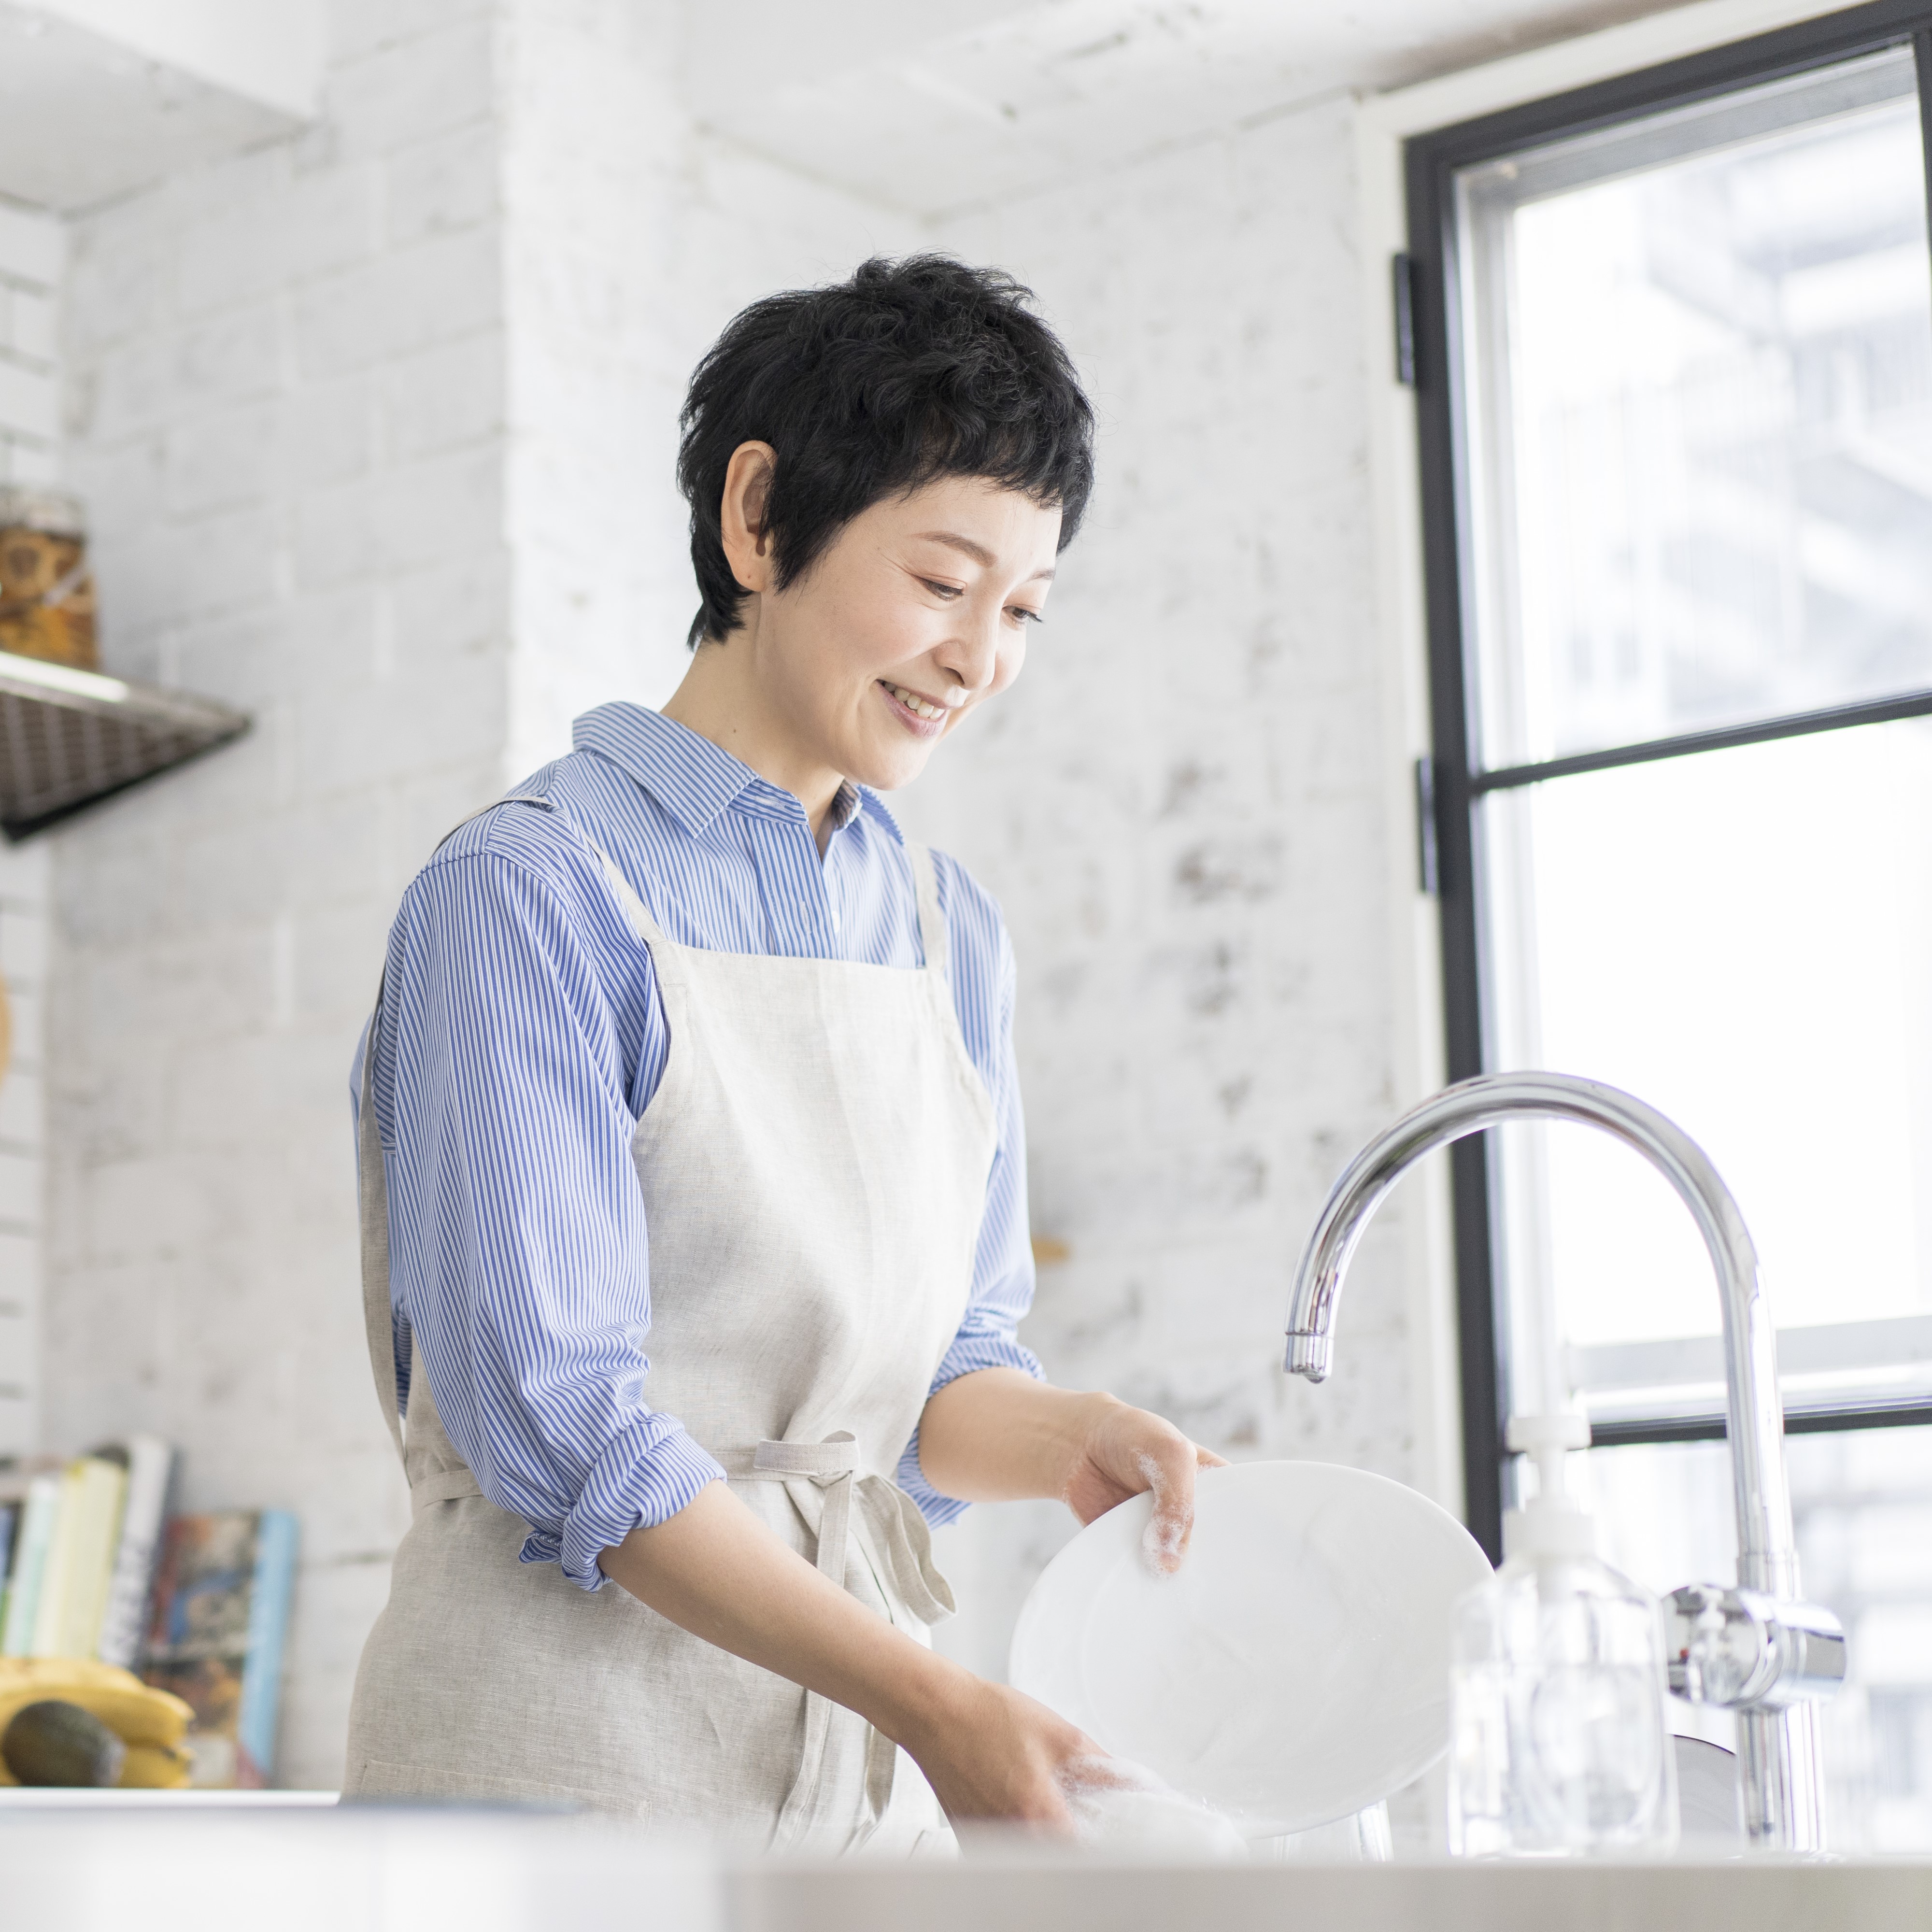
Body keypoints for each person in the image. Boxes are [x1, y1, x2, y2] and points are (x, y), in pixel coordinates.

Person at [344, 256, 1222, 1852]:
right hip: (551, 1778)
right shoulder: (529, 894)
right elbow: (567, 1427)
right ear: (759, 521)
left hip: (856, 1785)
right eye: (945, 582)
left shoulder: (951, 931)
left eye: (1024, 610)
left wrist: (1072, 1437)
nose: (981, 658)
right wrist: (936, 1701)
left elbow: (930, 1383)